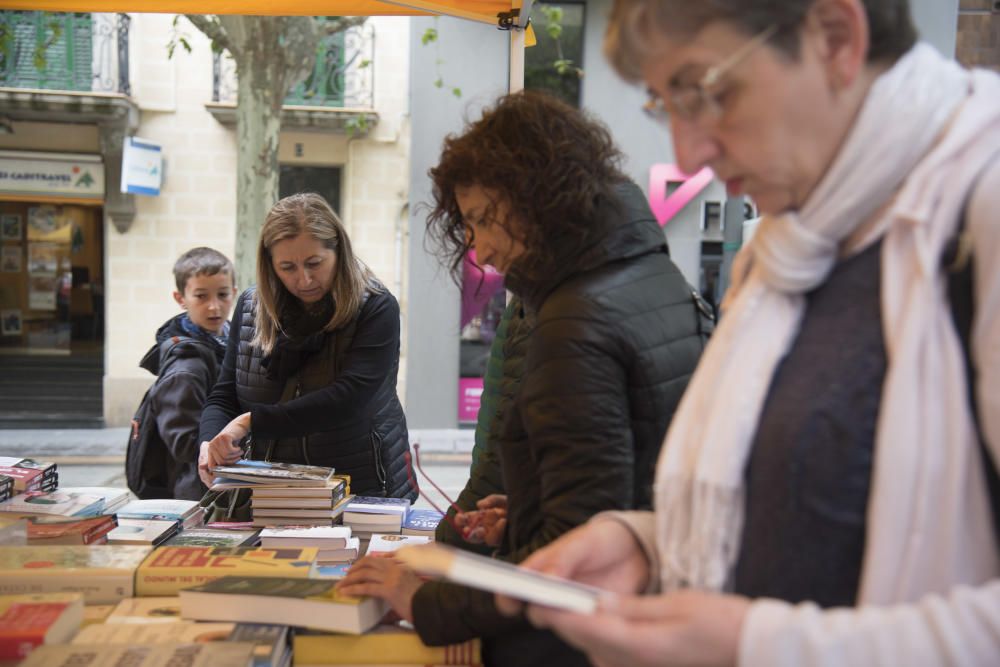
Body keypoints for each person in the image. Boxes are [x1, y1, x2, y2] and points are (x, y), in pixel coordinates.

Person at [504, 1, 1000, 665]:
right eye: (664, 101)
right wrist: (651, 547)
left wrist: (758, 645)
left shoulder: (982, 202)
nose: (688, 152)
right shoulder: (787, 244)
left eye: (705, 90)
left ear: (834, 35)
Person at [337, 91, 713, 666]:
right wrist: (530, 509)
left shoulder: (575, 320)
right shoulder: (652, 273)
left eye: (484, 220)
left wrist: (425, 601)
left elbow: (574, 564)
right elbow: (624, 485)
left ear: (538, 197)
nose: (481, 250)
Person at [197, 193, 414, 502]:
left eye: (315, 263)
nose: (304, 279)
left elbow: (349, 397)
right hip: (269, 490)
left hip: (361, 485)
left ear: (338, 252)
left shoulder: (376, 307)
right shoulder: (249, 305)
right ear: (269, 265)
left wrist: (249, 422)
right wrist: (210, 442)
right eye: (287, 267)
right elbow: (224, 394)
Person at [140, 247, 235, 500]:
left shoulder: (231, 342)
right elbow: (184, 445)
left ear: (234, 293)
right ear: (180, 298)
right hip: (198, 492)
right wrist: (231, 444)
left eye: (223, 294)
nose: (214, 306)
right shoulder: (186, 368)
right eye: (201, 296)